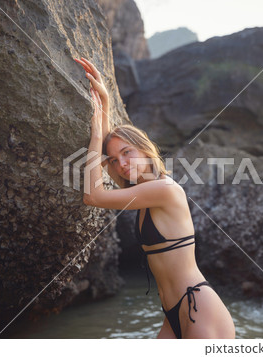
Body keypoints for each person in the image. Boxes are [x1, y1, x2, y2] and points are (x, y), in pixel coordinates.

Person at [74, 57, 235, 339]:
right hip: (174, 313)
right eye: (114, 159)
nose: (121, 163)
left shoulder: (164, 190)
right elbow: (108, 168)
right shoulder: (143, 192)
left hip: (199, 307)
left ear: (146, 151)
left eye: (128, 153)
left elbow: (93, 196)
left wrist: (97, 131)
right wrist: (105, 104)